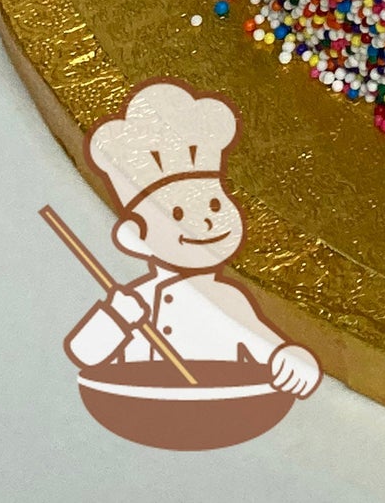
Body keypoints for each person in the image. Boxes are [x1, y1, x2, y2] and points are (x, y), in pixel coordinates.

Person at [63, 79, 321, 397]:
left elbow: (272, 346)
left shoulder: (230, 297)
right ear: (134, 237)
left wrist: (291, 361)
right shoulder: (139, 300)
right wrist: (117, 315)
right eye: (179, 214)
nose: (207, 221)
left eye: (214, 204)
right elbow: (85, 352)